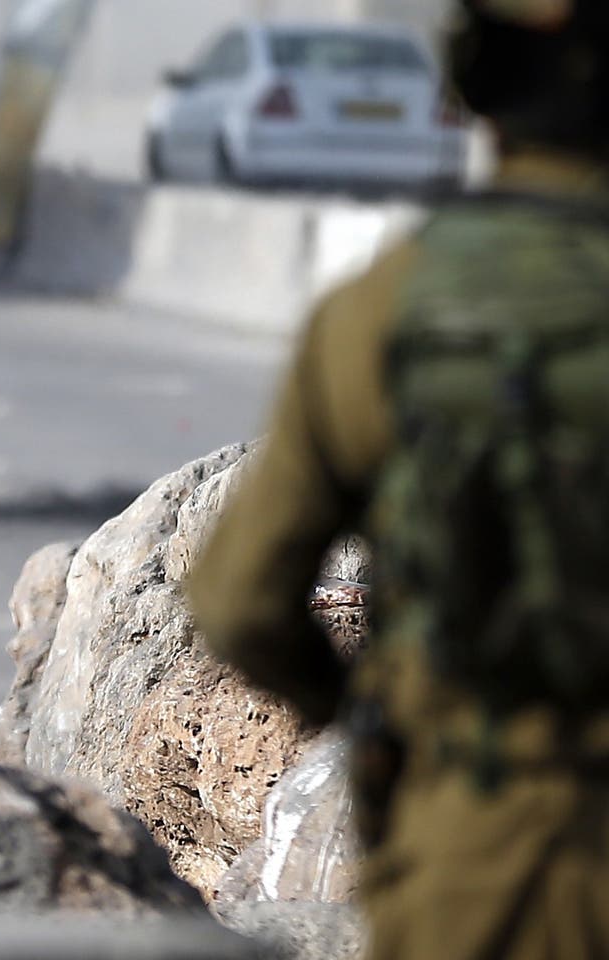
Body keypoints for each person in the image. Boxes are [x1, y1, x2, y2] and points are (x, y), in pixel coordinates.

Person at [189, 3, 609, 957]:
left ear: (468, 87)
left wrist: (373, 719)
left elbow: (239, 599)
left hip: (465, 854)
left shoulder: (378, 310)